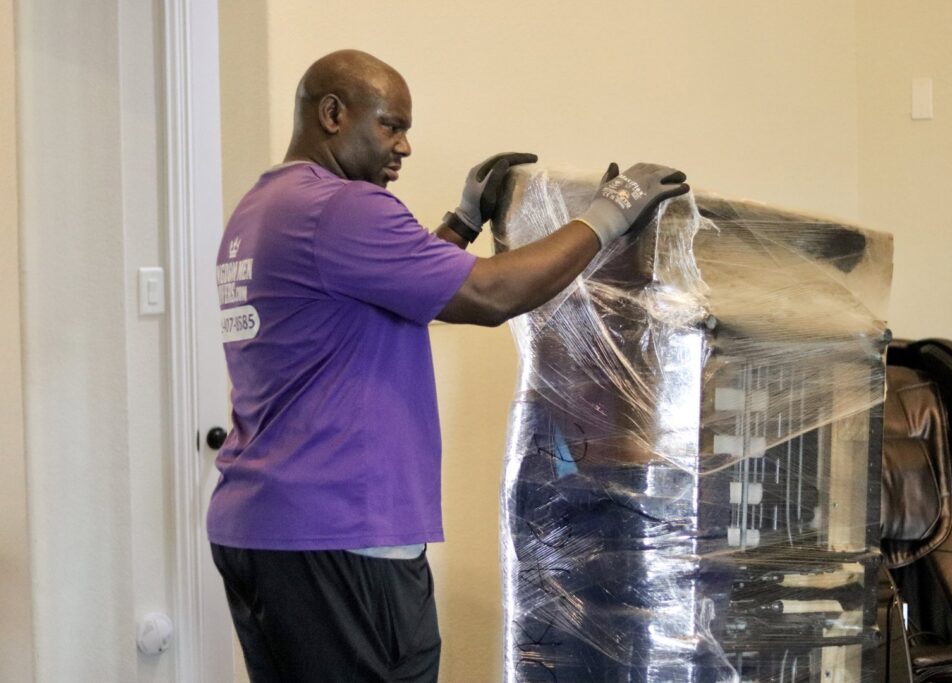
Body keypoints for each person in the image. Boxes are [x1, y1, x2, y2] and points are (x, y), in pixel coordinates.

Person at [208, 48, 689, 683]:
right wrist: (610, 213)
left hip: (264, 528)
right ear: (332, 113)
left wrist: (461, 224)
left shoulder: (262, 211)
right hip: (339, 528)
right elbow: (491, 295)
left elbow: (385, 294)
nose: (404, 146)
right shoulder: (342, 207)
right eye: (391, 125)